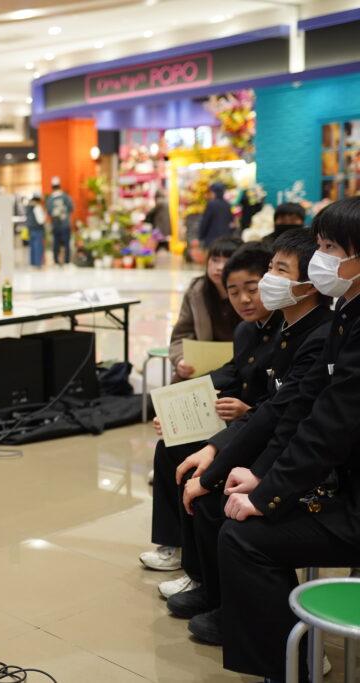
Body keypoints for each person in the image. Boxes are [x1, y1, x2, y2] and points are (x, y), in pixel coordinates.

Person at [212, 197, 360, 681]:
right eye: (320, 245)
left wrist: (268, 494)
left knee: (245, 539)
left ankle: (292, 668)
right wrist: (262, 478)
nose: (321, 258)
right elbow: (301, 409)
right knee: (237, 517)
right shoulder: (346, 312)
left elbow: (330, 426)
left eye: (331, 247)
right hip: (342, 483)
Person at [169, 228, 331, 646]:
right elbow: (271, 409)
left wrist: (246, 476)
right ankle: (215, 592)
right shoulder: (288, 329)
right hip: (279, 446)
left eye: (278, 271)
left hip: (311, 467)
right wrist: (213, 449)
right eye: (270, 268)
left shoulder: (319, 334)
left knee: (224, 505)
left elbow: (286, 418)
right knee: (190, 464)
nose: (267, 282)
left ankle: (264, 629)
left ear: (311, 280)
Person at [141, 243, 278, 575]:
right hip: (240, 420)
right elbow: (231, 371)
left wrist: (246, 409)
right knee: (170, 444)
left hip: (262, 428)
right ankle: (174, 544)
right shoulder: (246, 329)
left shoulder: (288, 331)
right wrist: (175, 406)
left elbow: (284, 401)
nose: (243, 299)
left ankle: (200, 567)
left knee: (199, 463)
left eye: (252, 289)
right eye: (234, 292)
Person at [168, 236, 242, 382]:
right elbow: (180, 336)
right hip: (203, 367)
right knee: (175, 386)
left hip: (239, 366)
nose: (219, 267)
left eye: (227, 261)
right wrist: (180, 360)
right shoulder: (196, 292)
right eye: (215, 260)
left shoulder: (249, 294)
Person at [46, 177, 74, 265]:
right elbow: (71, 208)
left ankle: (56, 260)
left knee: (56, 242)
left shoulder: (50, 199)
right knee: (66, 242)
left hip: (55, 225)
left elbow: (49, 211)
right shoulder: (65, 197)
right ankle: (66, 261)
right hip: (65, 224)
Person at [197, 182, 235, 247]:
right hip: (225, 239)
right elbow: (231, 222)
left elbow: (205, 221)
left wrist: (200, 236)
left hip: (212, 238)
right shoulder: (227, 204)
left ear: (214, 192)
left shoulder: (211, 204)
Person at [25, 193, 46, 267]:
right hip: (37, 229)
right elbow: (41, 220)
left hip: (30, 229)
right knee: (38, 247)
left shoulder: (28, 206)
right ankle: (38, 264)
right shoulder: (37, 207)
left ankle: (33, 263)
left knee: (32, 247)